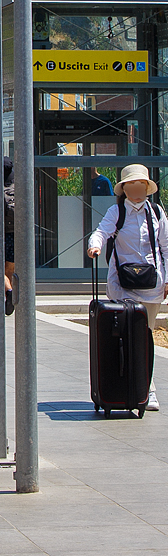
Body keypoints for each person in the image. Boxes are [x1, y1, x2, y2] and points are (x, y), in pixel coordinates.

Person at [87, 164, 168, 412]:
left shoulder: (156, 213)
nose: (137, 190)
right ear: (124, 189)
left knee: (145, 336)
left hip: (151, 285)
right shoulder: (116, 212)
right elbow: (101, 232)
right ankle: (125, 388)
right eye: (132, 186)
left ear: (146, 188)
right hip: (123, 285)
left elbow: (166, 246)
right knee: (125, 337)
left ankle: (147, 391)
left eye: (141, 185)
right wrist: (94, 246)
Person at [3, 157, 17, 316]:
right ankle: (10, 296)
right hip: (16, 234)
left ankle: (9, 291)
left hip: (3, 235)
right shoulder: (16, 188)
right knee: (10, 268)